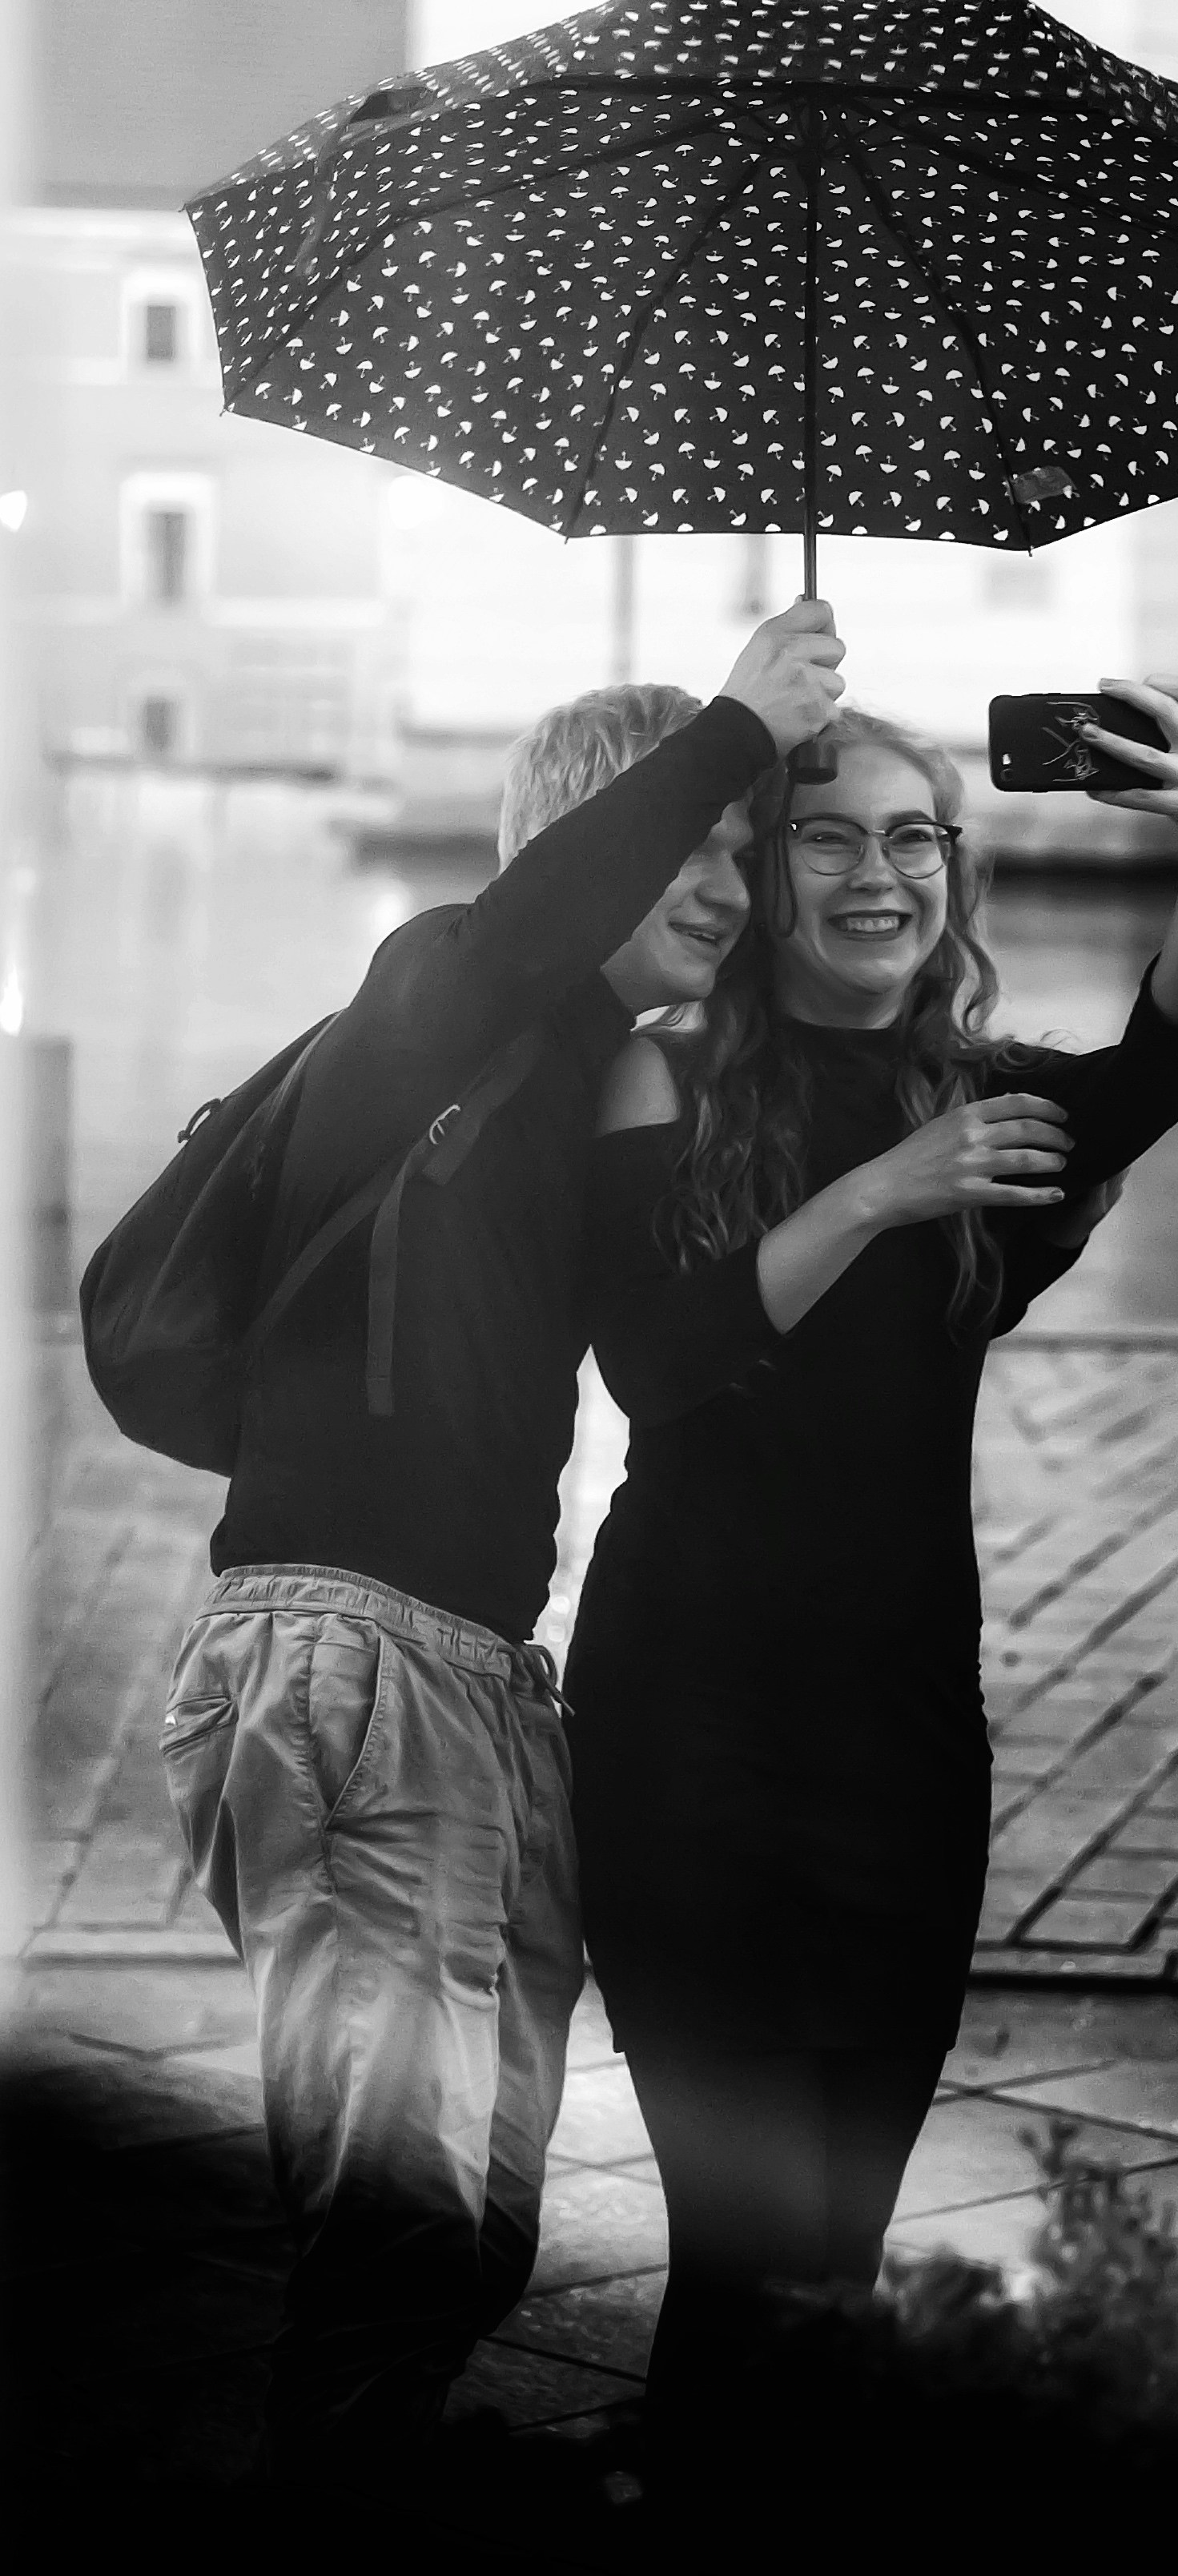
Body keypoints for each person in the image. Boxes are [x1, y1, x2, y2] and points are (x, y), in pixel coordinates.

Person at [155, 601, 846, 2479]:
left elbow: (666, 1342)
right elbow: (539, 922)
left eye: (740, 852)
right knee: (402, 2219)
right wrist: (732, 723)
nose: (727, 878)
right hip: (345, 1651)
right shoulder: (437, 994)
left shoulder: (588, 1060)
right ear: (587, 840)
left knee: (477, 2221)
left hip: (469, 1677)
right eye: (694, 842)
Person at [561, 675, 1178, 2500]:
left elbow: (1153, 1072)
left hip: (900, 1729)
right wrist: (884, 1189)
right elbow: (659, 1357)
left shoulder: (986, 1104)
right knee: (737, 2227)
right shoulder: (665, 1070)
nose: (884, 870)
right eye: (833, 832)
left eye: (918, 834)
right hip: (684, 1719)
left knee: (844, 2221)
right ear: (770, 872)